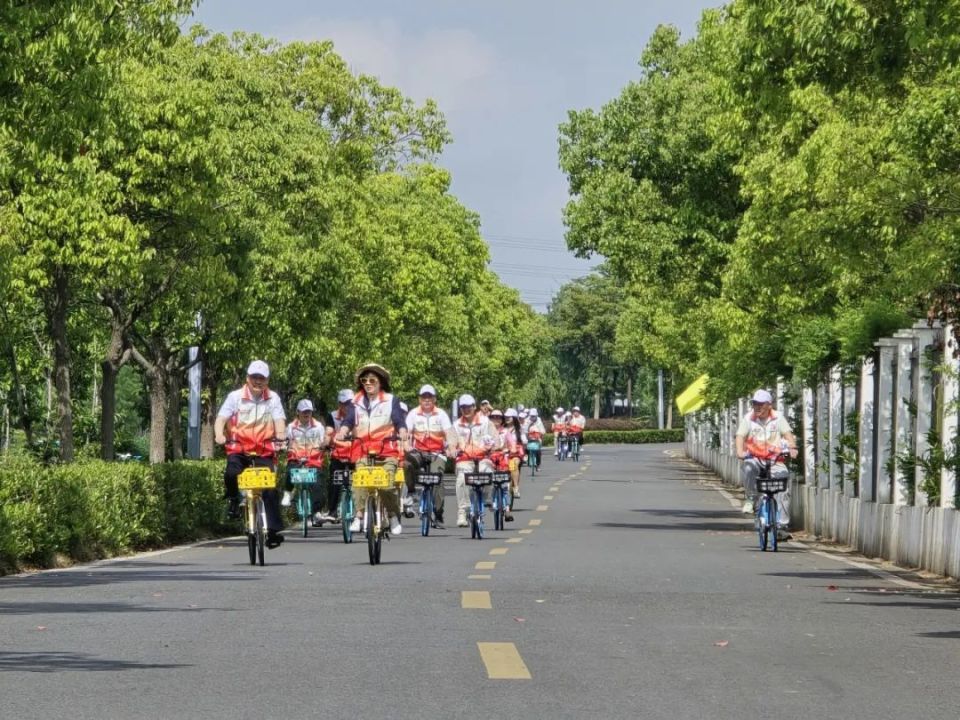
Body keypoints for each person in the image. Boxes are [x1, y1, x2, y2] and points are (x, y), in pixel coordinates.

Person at [214, 360, 287, 549]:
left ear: (267, 380)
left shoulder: (273, 398)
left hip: (264, 449)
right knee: (231, 473)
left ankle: (272, 531)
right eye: (254, 377)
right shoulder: (235, 397)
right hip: (239, 448)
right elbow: (221, 418)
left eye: (261, 378)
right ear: (247, 378)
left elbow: (279, 421)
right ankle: (233, 499)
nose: (257, 381)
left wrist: (280, 438)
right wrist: (219, 434)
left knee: (269, 487)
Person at [335, 363, 408, 535]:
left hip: (386, 450)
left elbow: (398, 420)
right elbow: (349, 420)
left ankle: (392, 515)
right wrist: (343, 431)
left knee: (386, 485)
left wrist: (403, 432)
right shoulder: (356, 401)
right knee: (360, 480)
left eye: (372, 380)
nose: (368, 383)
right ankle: (359, 516)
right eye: (364, 380)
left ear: (380, 382)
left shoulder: (391, 400)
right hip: (363, 449)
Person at [735, 389, 798, 536]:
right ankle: (751, 498)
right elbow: (740, 436)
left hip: (775, 460)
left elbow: (788, 435)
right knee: (749, 468)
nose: (757, 407)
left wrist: (792, 448)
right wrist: (740, 452)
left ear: (769, 405)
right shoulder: (748, 418)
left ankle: (782, 526)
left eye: (761, 404)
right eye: (755, 404)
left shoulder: (778, 418)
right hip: (755, 458)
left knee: (782, 486)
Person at [404, 384, 456, 527]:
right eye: (424, 397)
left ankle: (438, 514)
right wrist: (406, 445)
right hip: (418, 452)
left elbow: (450, 433)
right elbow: (406, 433)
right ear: (419, 399)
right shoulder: (413, 414)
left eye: (429, 397)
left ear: (434, 399)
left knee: (437, 478)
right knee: (406, 464)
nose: (427, 400)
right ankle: (412, 491)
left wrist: (451, 447)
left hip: (436, 453)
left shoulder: (441, 414)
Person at [453, 394, 500, 527]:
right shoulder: (456, 425)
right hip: (465, 459)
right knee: (462, 479)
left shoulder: (486, 422)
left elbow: (496, 439)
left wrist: (493, 446)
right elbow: (450, 441)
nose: (466, 410)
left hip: (483, 458)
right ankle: (463, 511)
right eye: (463, 407)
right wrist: (451, 449)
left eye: (469, 407)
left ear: (474, 407)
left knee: (489, 472)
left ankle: (487, 499)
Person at [282, 399, 329, 524]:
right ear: (298, 412)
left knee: (317, 485)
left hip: (313, 460)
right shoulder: (291, 427)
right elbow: (285, 440)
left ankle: (317, 512)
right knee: (290, 472)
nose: (306, 414)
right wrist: (283, 446)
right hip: (296, 458)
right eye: (303, 411)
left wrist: (324, 445)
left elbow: (323, 441)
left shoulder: (318, 426)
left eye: (308, 411)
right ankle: (288, 493)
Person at [325, 389, 356, 522]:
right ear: (339, 404)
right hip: (338, 454)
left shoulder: (359, 415)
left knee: (360, 482)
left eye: (349, 404)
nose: (346, 407)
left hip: (354, 454)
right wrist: (326, 443)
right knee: (334, 481)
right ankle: (332, 511)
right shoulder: (332, 416)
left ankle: (362, 512)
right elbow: (328, 432)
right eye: (343, 404)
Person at [488, 409, 514, 521]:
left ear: (502, 420)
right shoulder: (486, 432)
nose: (496, 419)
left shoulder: (506, 432)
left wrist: (510, 449)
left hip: (504, 460)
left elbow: (512, 444)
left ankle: (507, 509)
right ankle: (491, 502)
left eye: (498, 417)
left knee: (505, 487)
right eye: (493, 417)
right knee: (490, 484)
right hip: (490, 460)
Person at [503, 408, 525, 499]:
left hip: (514, 454)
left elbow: (524, 440)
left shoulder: (519, 429)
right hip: (503, 453)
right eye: (506, 417)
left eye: (509, 417)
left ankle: (515, 487)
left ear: (514, 418)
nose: (507, 418)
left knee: (513, 465)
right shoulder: (502, 429)